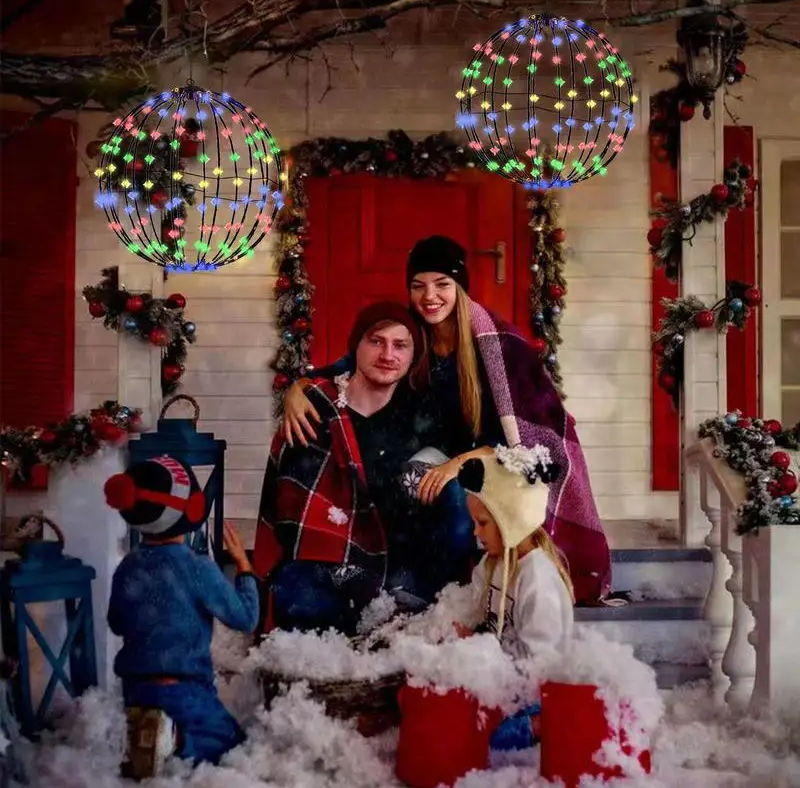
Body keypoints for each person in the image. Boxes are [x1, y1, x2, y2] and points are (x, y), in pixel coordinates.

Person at [282, 235, 611, 605]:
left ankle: (455, 600)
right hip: (437, 453)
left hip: (496, 459)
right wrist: (301, 385)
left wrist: (456, 465)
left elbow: (525, 435)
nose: (429, 296)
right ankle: (401, 590)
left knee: (453, 495)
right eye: (418, 286)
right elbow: (352, 366)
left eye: (442, 285)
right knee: (403, 477)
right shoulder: (411, 334)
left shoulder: (497, 344)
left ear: (460, 288)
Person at [254, 301, 476, 635]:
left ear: (413, 355)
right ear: (355, 346)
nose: (388, 354)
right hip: (328, 560)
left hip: (398, 561)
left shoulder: (421, 416)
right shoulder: (315, 408)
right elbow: (293, 511)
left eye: (400, 345)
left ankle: (395, 621)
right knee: (295, 597)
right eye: (376, 341)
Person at [104, 455, 259, 779]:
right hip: (183, 691)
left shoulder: (127, 566)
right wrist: (244, 567)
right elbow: (245, 618)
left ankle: (142, 734)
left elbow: (116, 622)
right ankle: (174, 738)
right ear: (189, 510)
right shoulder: (197, 567)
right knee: (231, 741)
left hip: (134, 690)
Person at [454, 444, 574, 751]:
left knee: (480, 738)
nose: (475, 533)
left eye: (482, 523)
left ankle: (545, 727)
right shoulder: (492, 565)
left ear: (511, 518)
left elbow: (539, 665)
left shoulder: (537, 579)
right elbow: (483, 622)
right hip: (501, 682)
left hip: (532, 697)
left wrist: (481, 650)